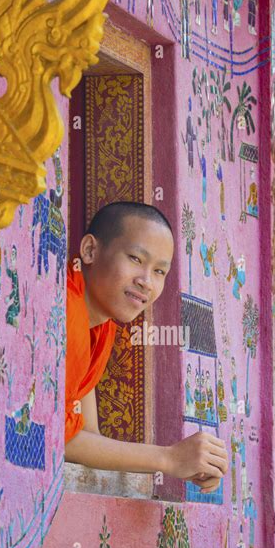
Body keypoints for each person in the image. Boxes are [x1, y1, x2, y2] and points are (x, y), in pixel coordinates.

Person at [65, 202, 228, 492]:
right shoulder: (67, 307)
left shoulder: (101, 327)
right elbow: (64, 439)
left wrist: (185, 462)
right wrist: (168, 458)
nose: (146, 282)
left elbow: (86, 435)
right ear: (90, 251)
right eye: (135, 259)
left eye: (160, 272)